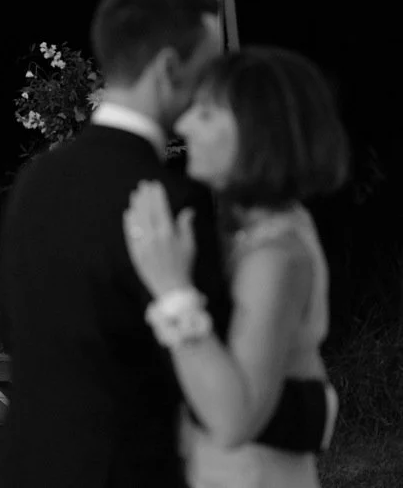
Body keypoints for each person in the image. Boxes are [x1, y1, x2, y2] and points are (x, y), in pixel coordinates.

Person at [0, 0, 333, 488]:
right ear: (170, 68)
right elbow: (213, 388)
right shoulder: (171, 201)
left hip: (23, 467)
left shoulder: (37, 180)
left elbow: (17, 331)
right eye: (209, 67)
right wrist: (317, 409)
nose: (212, 86)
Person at [122, 46, 348, 487]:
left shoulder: (276, 257)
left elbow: (233, 420)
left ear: (255, 131)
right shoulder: (259, 231)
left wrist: (172, 290)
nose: (184, 124)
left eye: (205, 115)